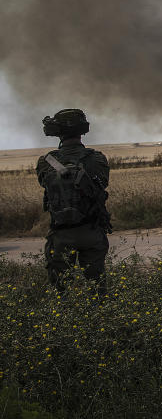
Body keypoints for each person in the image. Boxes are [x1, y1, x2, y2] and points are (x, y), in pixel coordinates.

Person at [35, 109, 111, 289]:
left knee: (61, 291)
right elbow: (103, 184)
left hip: (61, 235)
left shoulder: (46, 161)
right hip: (91, 231)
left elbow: (44, 184)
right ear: (82, 130)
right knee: (97, 287)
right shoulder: (97, 159)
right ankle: (101, 315)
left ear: (58, 132)